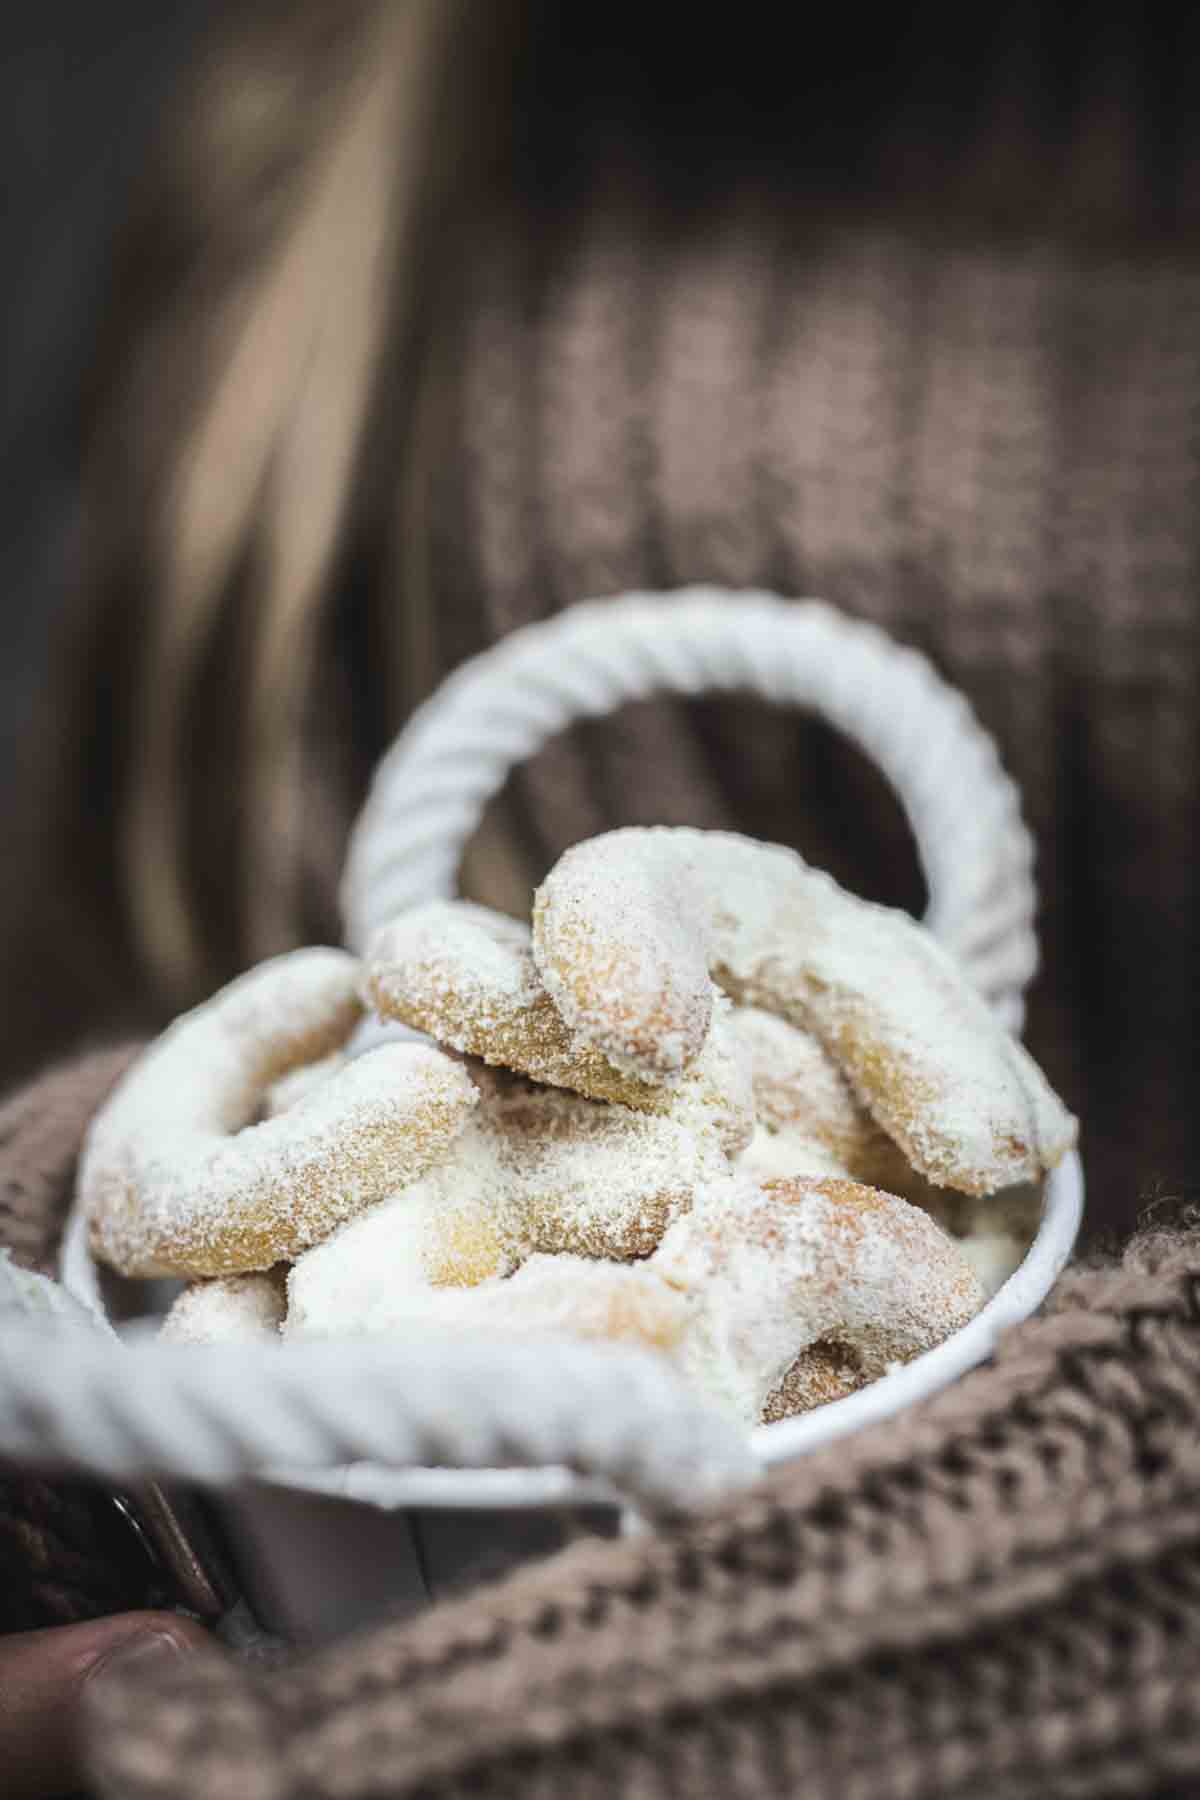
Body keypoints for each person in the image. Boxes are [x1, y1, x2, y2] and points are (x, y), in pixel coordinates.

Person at [2, 2, 1199, 1788]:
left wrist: (1090, 1578)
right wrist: (65, 1376)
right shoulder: (307, 116)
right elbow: (198, 928)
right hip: (337, 1399)